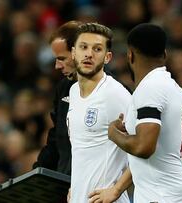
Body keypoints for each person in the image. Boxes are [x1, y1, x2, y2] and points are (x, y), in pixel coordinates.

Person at [101, 23, 182, 203]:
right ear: (164, 55)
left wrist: (113, 134)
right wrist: (179, 143)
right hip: (174, 194)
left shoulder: (150, 89)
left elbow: (144, 147)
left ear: (130, 55)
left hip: (162, 197)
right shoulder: (172, 89)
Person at [67, 22, 131, 203]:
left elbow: (149, 146)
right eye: (83, 47)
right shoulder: (73, 92)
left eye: (97, 49)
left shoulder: (115, 94)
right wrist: (77, 186)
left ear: (107, 57)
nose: (88, 54)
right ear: (73, 52)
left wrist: (116, 190)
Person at [33, 20, 82, 175]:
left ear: (79, 52)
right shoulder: (63, 88)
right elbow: (56, 138)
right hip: (65, 182)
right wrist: (37, 172)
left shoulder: (114, 90)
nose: (57, 66)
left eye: (62, 58)